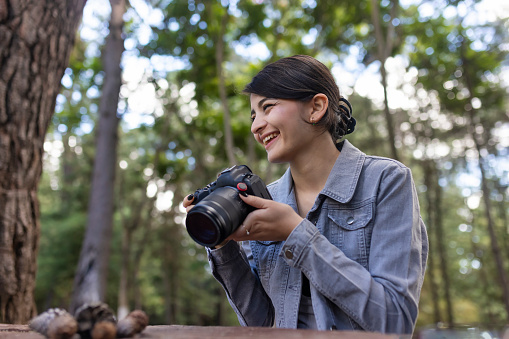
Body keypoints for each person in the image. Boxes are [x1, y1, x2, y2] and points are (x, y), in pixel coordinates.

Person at [183, 55, 428, 334]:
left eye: (268, 107)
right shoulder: (264, 200)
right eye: (253, 116)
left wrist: (296, 233)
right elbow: (261, 323)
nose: (255, 126)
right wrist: (222, 245)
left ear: (316, 107)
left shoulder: (386, 181)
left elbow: (395, 322)